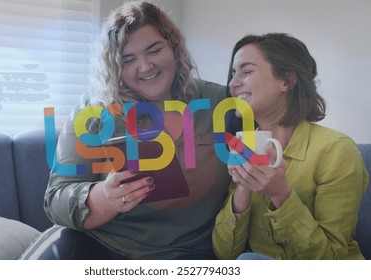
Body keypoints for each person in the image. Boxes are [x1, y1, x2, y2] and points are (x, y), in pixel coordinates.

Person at [35, 1, 230, 260]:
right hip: (100, 247)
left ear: (174, 47)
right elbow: (56, 199)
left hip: (187, 256)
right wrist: (104, 197)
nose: (145, 66)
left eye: (154, 50)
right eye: (128, 60)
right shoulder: (94, 109)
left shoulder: (218, 103)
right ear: (114, 67)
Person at [212, 33, 369, 260]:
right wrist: (243, 188)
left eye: (246, 72)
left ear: (287, 81)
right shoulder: (243, 146)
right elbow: (225, 255)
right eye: (233, 73)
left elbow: (331, 259)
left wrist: (281, 194)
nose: (233, 84)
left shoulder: (337, 151)